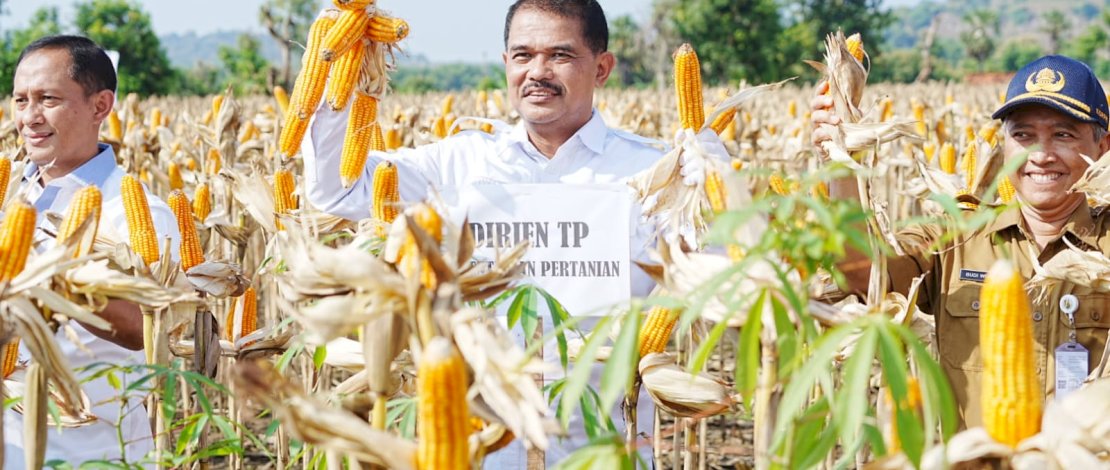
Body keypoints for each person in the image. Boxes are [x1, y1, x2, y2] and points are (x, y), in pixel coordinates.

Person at [304, 0, 727, 465]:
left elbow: (718, 275)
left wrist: (717, 183)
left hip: (606, 445)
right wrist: (332, 69)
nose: (537, 71)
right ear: (506, 64)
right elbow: (337, 191)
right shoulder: (459, 163)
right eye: (523, 55)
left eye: (560, 55)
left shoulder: (654, 169)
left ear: (602, 67)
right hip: (483, 448)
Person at [811, 55, 1110, 429]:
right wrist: (841, 162)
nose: (1041, 155)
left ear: (1103, 148)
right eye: (1023, 135)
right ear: (1003, 146)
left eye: (1063, 135)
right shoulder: (954, 236)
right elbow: (864, 276)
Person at [6, 34, 180, 466]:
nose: (30, 117)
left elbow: (150, 328)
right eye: (20, 100)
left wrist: (52, 279)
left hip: (90, 449)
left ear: (100, 106)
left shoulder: (136, 211)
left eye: (47, 99)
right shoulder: (10, 195)